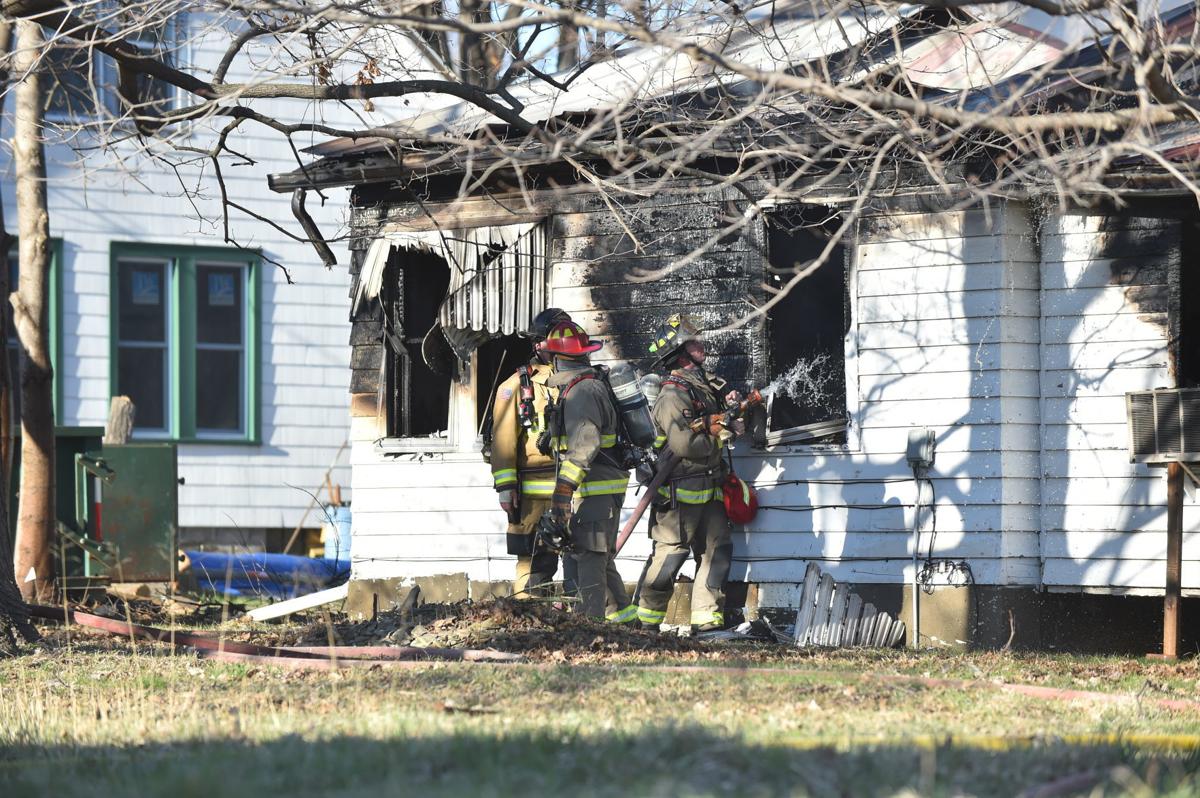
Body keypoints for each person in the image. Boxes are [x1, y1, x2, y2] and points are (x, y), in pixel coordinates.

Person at [635, 314, 739, 632]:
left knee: (717, 551)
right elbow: (684, 444)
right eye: (693, 342)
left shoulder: (702, 386)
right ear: (680, 353)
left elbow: (713, 419)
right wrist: (722, 433)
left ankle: (707, 620)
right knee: (671, 556)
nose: (700, 344)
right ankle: (646, 623)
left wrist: (731, 408)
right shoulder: (672, 395)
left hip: (710, 487)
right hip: (679, 494)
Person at [541, 320, 637, 623]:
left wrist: (564, 488)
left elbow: (586, 442)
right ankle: (627, 622)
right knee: (598, 557)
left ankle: (591, 626)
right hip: (594, 485)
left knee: (590, 556)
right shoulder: (582, 386)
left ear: (556, 358)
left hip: (596, 486)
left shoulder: (582, 391)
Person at [490, 307, 576, 597]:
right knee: (533, 559)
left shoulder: (580, 380)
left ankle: (575, 615)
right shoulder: (515, 386)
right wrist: (506, 487)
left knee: (578, 557)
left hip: (573, 490)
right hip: (533, 498)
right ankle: (526, 614)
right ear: (538, 344)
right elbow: (503, 440)